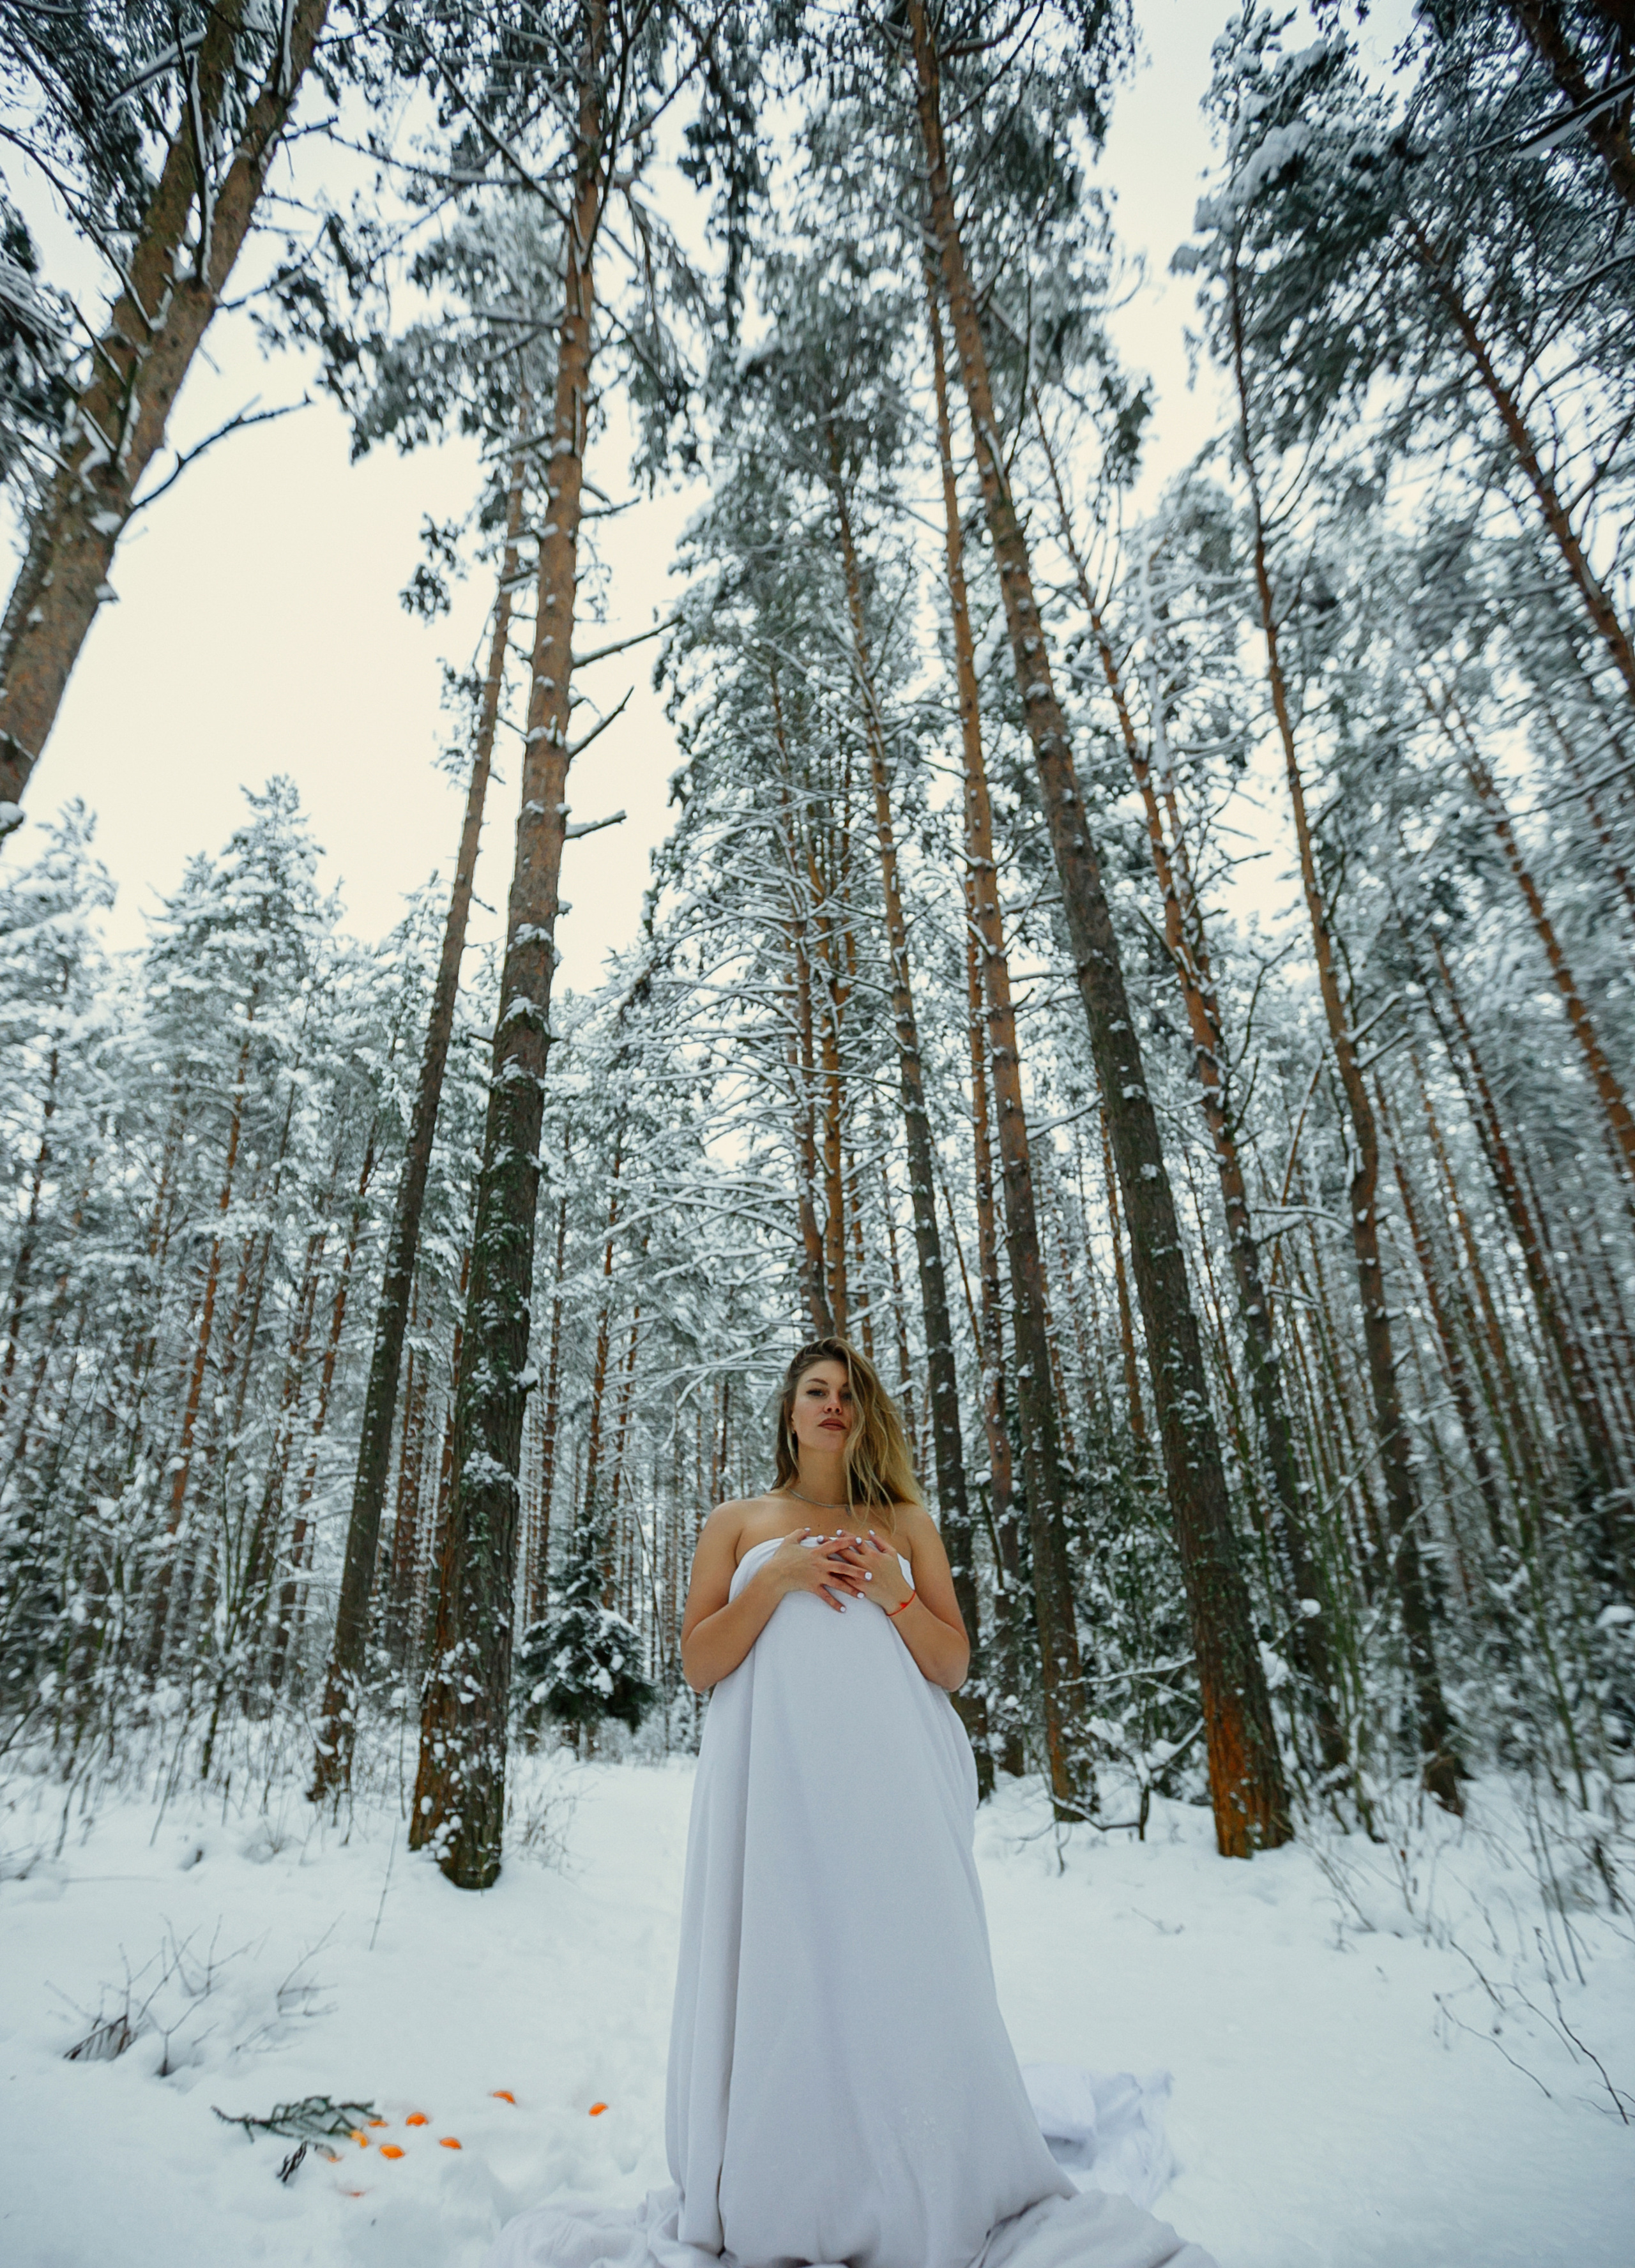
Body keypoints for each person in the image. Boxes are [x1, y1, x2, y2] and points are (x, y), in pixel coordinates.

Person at [487, 1338, 1216, 2268]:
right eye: (816, 1390)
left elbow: (951, 1666)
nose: (833, 1404)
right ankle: (800, 2178)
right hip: (774, 1791)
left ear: (865, 1416)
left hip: (892, 1788)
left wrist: (894, 1592)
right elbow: (701, 1664)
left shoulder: (905, 1522)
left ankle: (916, 2160)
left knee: (898, 1962)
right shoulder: (738, 1522)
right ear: (790, 1414)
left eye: (848, 1393)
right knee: (791, 1968)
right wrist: (778, 1578)